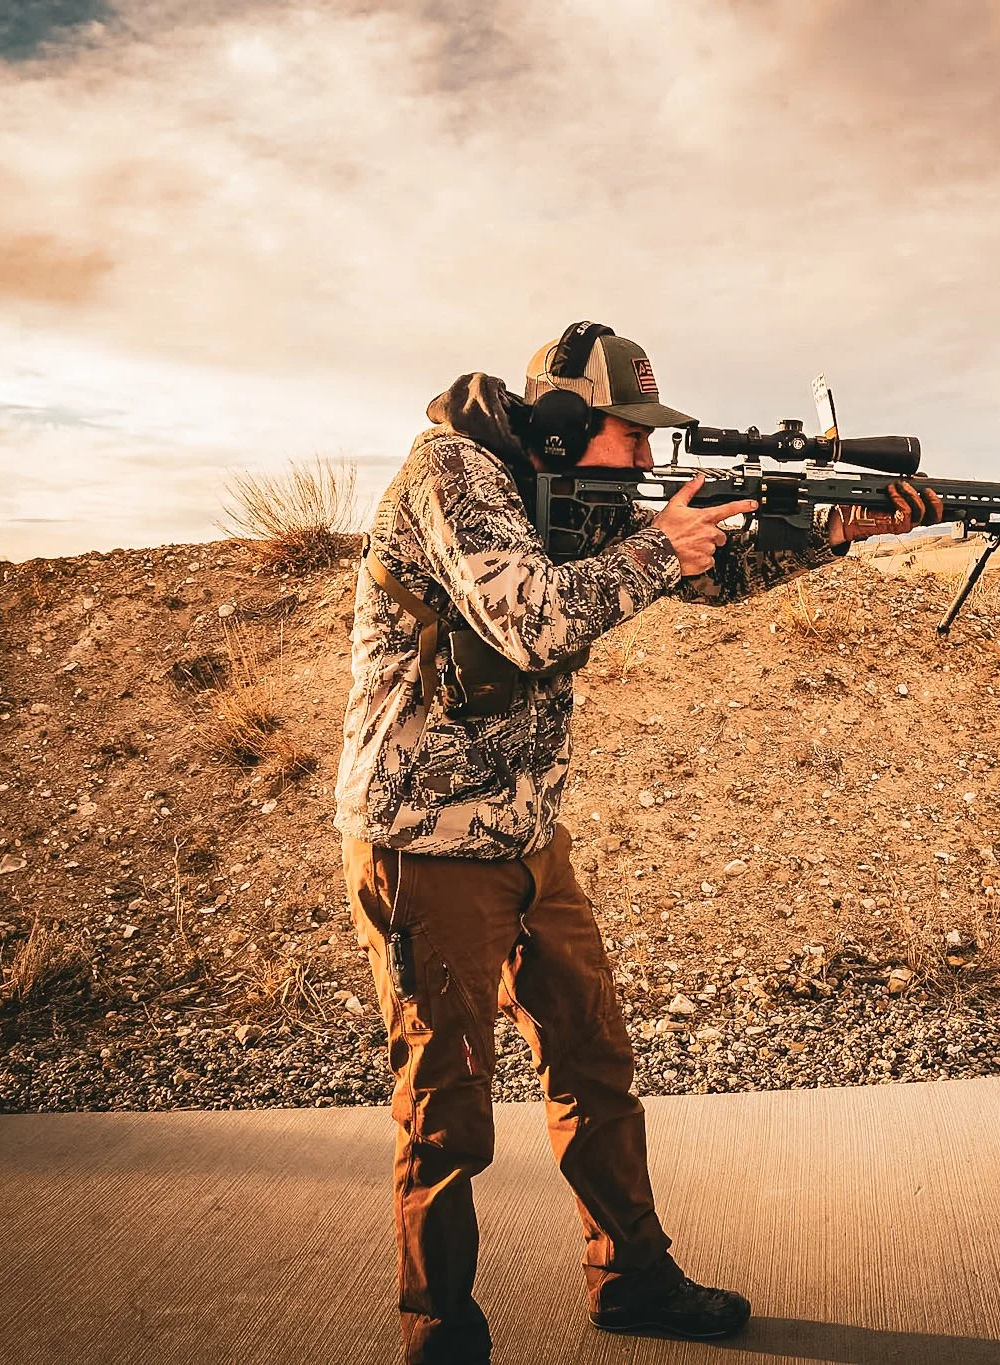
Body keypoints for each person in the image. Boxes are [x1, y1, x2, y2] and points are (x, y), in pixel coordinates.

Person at [335, 322, 941, 1364]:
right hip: (425, 840)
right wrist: (663, 540)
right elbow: (529, 620)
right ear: (567, 424)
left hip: (525, 834)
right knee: (448, 1113)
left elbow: (703, 580)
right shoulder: (453, 474)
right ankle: (436, 1335)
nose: (648, 459)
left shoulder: (559, 490)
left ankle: (633, 1281)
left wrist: (841, 532)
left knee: (594, 1064)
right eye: (630, 436)